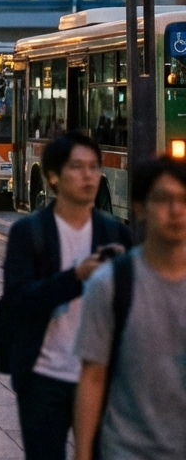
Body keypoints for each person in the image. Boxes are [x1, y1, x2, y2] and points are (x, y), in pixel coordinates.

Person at [1, 132, 132, 460]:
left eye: (94, 167)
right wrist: (75, 276)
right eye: (77, 167)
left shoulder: (114, 232)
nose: (89, 176)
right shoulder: (29, 232)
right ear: (53, 177)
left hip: (101, 376)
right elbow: (19, 299)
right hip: (44, 376)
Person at [73, 156, 186, 460]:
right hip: (127, 449)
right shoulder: (111, 284)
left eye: (183, 200)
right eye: (163, 199)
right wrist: (82, 453)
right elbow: (93, 376)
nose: (175, 211)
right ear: (139, 207)